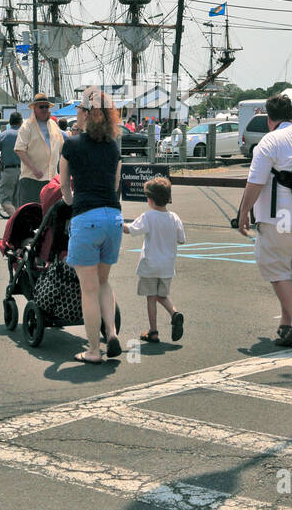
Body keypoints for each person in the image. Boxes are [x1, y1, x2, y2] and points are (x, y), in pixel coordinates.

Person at [237, 94, 292, 347]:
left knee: (274, 266)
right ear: (290, 113)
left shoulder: (270, 141)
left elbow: (255, 181)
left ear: (268, 119)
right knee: (291, 270)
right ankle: (286, 325)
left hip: (281, 217)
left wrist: (243, 212)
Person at [59, 87, 124, 365]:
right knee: (103, 281)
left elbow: (64, 187)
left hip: (87, 216)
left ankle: (94, 350)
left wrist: (74, 203)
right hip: (114, 217)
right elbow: (116, 185)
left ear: (85, 113)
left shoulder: (71, 144)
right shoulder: (113, 146)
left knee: (88, 289)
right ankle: (111, 333)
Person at [123, 175, 186, 344]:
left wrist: (117, 223)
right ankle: (174, 313)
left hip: (150, 264)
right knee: (162, 295)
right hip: (167, 266)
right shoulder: (174, 217)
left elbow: (131, 230)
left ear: (150, 199)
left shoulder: (148, 217)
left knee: (151, 297)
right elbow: (181, 239)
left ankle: (153, 331)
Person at [15, 93, 64, 209]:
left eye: (46, 107)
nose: (44, 109)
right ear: (34, 108)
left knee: (50, 216)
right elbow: (19, 150)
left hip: (52, 179)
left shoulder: (54, 125)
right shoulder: (26, 126)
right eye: (41, 107)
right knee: (30, 215)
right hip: (32, 179)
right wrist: (34, 169)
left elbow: (62, 150)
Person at [0, 111, 22, 212]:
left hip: (8, 170)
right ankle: (17, 224)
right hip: (23, 171)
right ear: (21, 122)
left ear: (10, 122)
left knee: (5, 200)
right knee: (17, 201)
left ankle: (15, 220)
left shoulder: (3, 135)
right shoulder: (25, 135)